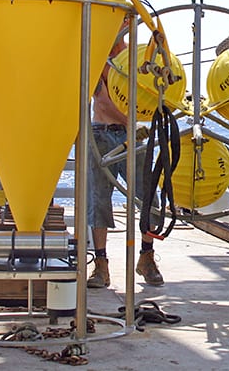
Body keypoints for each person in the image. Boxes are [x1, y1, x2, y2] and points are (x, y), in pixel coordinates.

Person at [86, 29, 164, 288]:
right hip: (101, 133)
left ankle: (147, 257)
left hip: (132, 135)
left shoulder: (139, 57)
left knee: (149, 198)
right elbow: (99, 99)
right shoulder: (96, 57)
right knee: (98, 200)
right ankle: (100, 265)